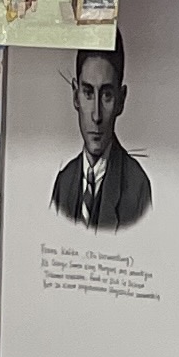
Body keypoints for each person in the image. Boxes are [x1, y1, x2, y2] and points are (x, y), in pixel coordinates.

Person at [51, 33, 151, 230]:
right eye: (88, 93)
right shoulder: (64, 182)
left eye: (107, 95)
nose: (96, 115)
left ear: (121, 100)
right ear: (76, 96)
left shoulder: (137, 187)